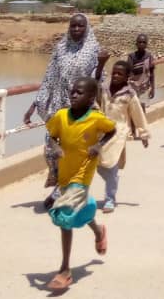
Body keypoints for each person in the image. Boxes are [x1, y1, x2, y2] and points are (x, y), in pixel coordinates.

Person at [24, 13, 108, 198]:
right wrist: (35, 103)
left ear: (87, 28)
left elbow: (97, 81)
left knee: (76, 150)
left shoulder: (93, 50)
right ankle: (59, 184)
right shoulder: (61, 48)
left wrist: (101, 64)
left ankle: (63, 192)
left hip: (82, 108)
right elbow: (49, 77)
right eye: (73, 26)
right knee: (50, 148)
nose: (76, 29)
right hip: (59, 106)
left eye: (80, 26)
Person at [43, 77, 114, 292]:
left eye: (79, 92)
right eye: (73, 91)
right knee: (77, 207)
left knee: (65, 215)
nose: (74, 94)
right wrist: (55, 147)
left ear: (91, 98)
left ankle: (65, 270)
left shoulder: (96, 118)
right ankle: (98, 230)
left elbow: (111, 130)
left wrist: (98, 145)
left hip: (83, 173)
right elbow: (52, 136)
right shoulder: (61, 116)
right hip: (65, 172)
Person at [96, 59, 150, 213]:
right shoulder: (104, 88)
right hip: (101, 131)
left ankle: (109, 199)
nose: (116, 76)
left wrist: (143, 134)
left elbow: (137, 114)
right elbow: (97, 105)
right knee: (98, 165)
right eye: (114, 72)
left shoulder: (129, 94)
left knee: (112, 165)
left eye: (120, 73)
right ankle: (112, 181)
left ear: (127, 77)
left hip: (118, 133)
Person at [126, 34, 156, 108]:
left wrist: (153, 88)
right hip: (133, 87)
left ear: (146, 44)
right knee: (132, 107)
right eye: (140, 42)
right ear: (136, 44)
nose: (141, 44)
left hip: (144, 87)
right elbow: (129, 73)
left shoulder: (149, 57)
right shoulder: (131, 57)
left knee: (142, 107)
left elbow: (152, 74)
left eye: (144, 42)